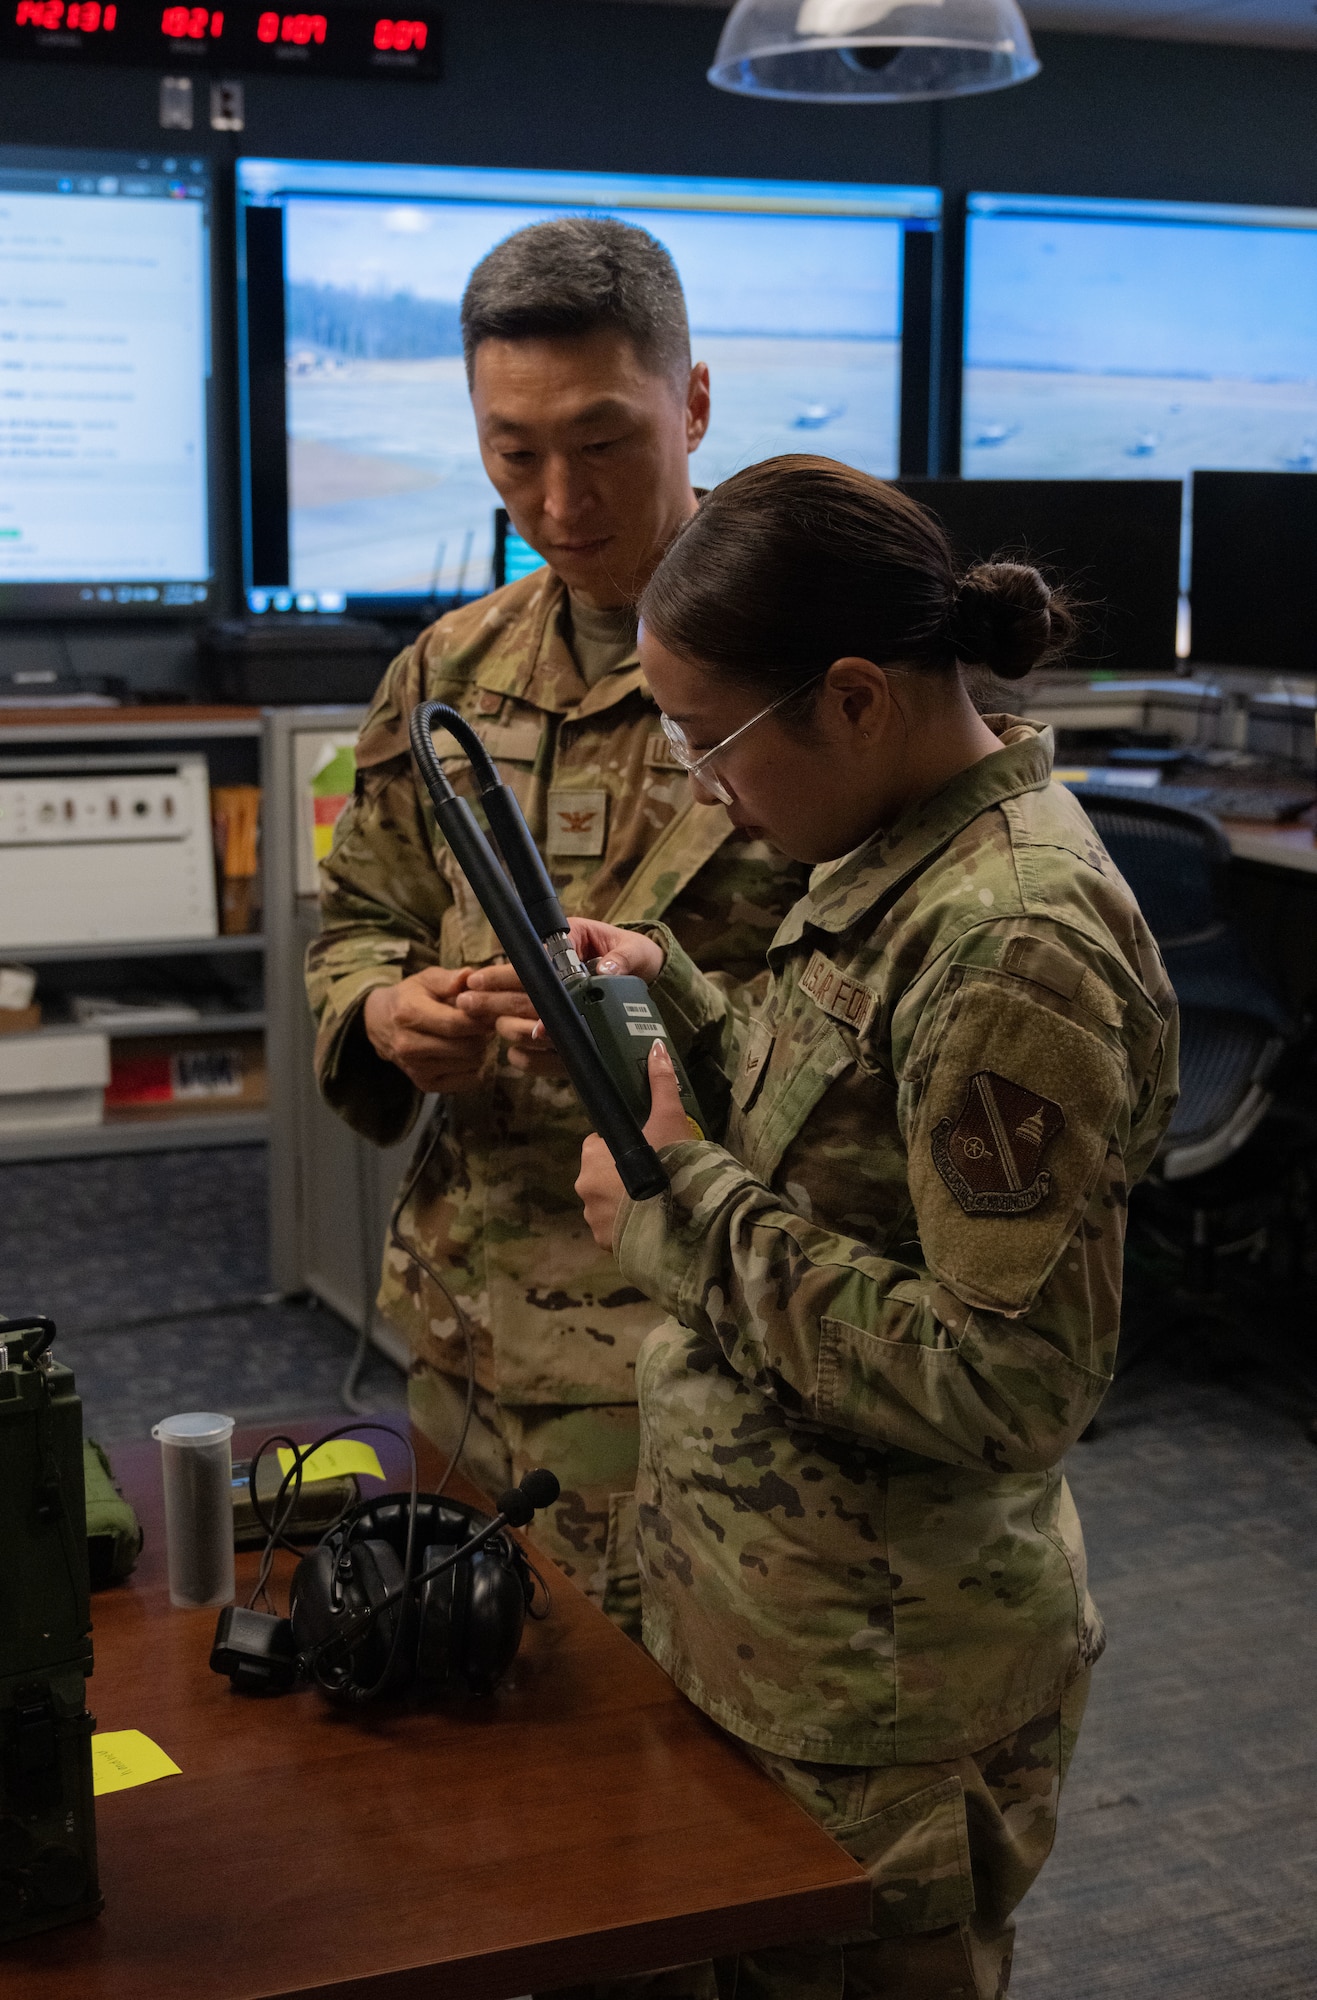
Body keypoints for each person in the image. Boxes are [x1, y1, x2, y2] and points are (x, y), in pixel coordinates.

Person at [500, 456, 1179, 1997]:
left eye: (708, 741)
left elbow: (1010, 1384)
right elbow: (847, 1130)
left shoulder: (1012, 944)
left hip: (883, 1687)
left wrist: (678, 1209)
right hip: (773, 1618)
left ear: (857, 698)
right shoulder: (895, 850)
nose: (703, 786)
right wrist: (670, 996)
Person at [305, 219, 808, 1631]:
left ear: (691, 404)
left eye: (601, 442)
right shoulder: (448, 672)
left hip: (710, 1338)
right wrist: (387, 1013)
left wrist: (648, 1023)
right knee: (476, 1683)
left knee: (675, 1734)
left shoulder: (819, 671)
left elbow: (894, 1001)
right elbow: (361, 917)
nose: (560, 499)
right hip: (468, 1324)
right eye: (512, 452)